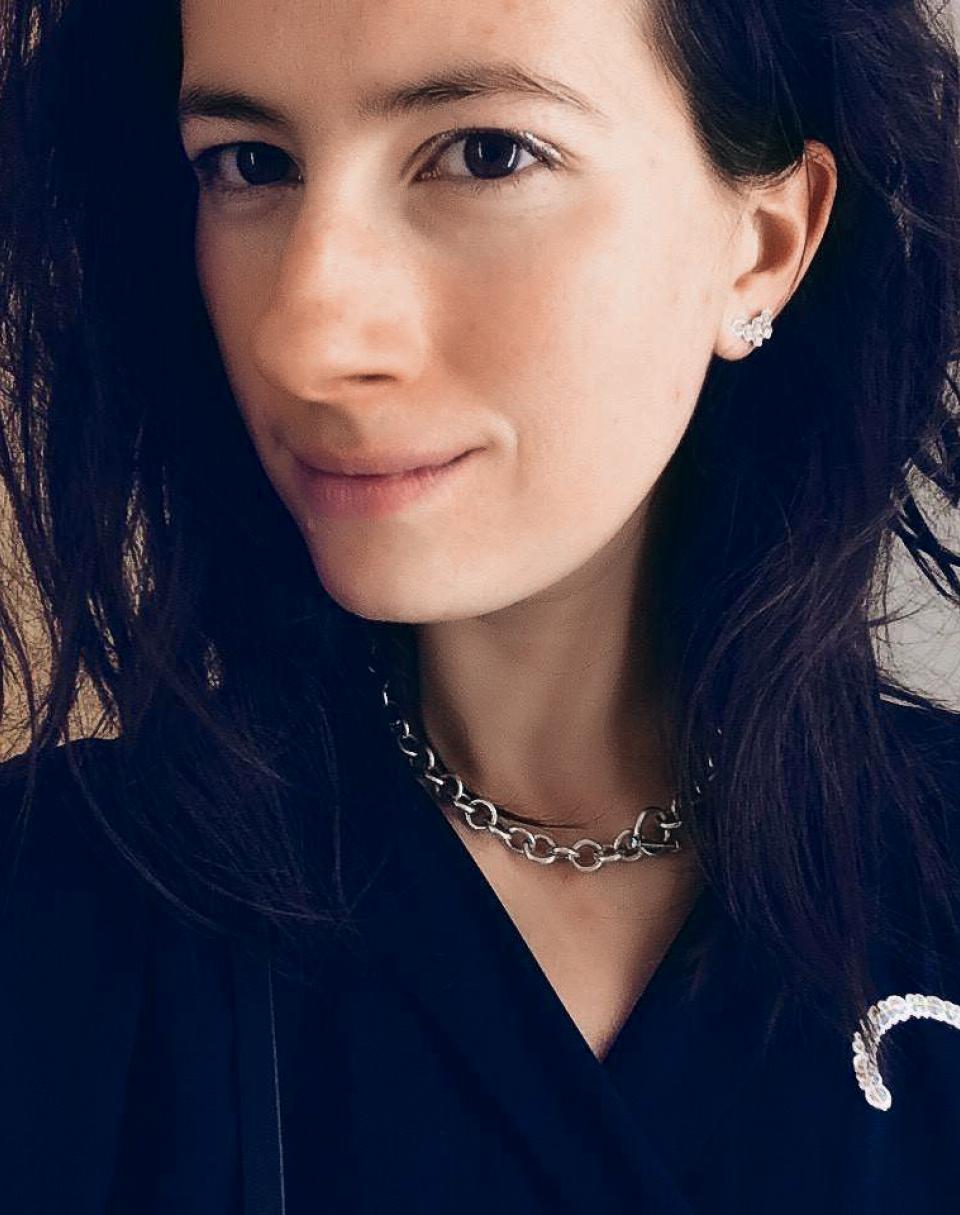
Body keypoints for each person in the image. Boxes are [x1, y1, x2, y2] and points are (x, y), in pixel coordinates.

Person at [2, 0, 960, 1210]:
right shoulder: (48, 913)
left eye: (485, 154)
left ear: (764, 244)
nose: (305, 341)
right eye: (250, 164)